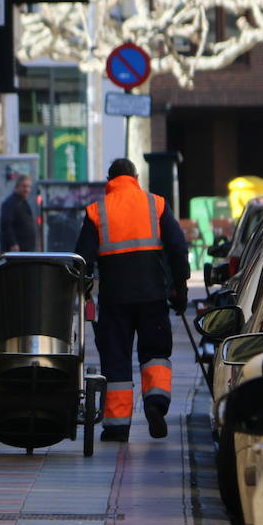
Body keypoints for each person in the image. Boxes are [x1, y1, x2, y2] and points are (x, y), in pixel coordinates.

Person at [74, 158, 189, 441]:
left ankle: (117, 426)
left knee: (116, 359)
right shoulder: (156, 204)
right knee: (155, 353)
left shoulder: (97, 211)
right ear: (135, 176)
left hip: (115, 298)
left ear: (109, 180)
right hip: (153, 295)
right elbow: (177, 246)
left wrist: (84, 289)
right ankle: (155, 403)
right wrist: (180, 286)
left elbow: (82, 259)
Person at [0, 174, 38, 252]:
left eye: (28, 187)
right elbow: (6, 224)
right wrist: (12, 243)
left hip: (26, 249)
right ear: (17, 187)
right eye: (24, 186)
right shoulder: (10, 203)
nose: (27, 189)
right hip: (17, 251)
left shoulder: (23, 202)